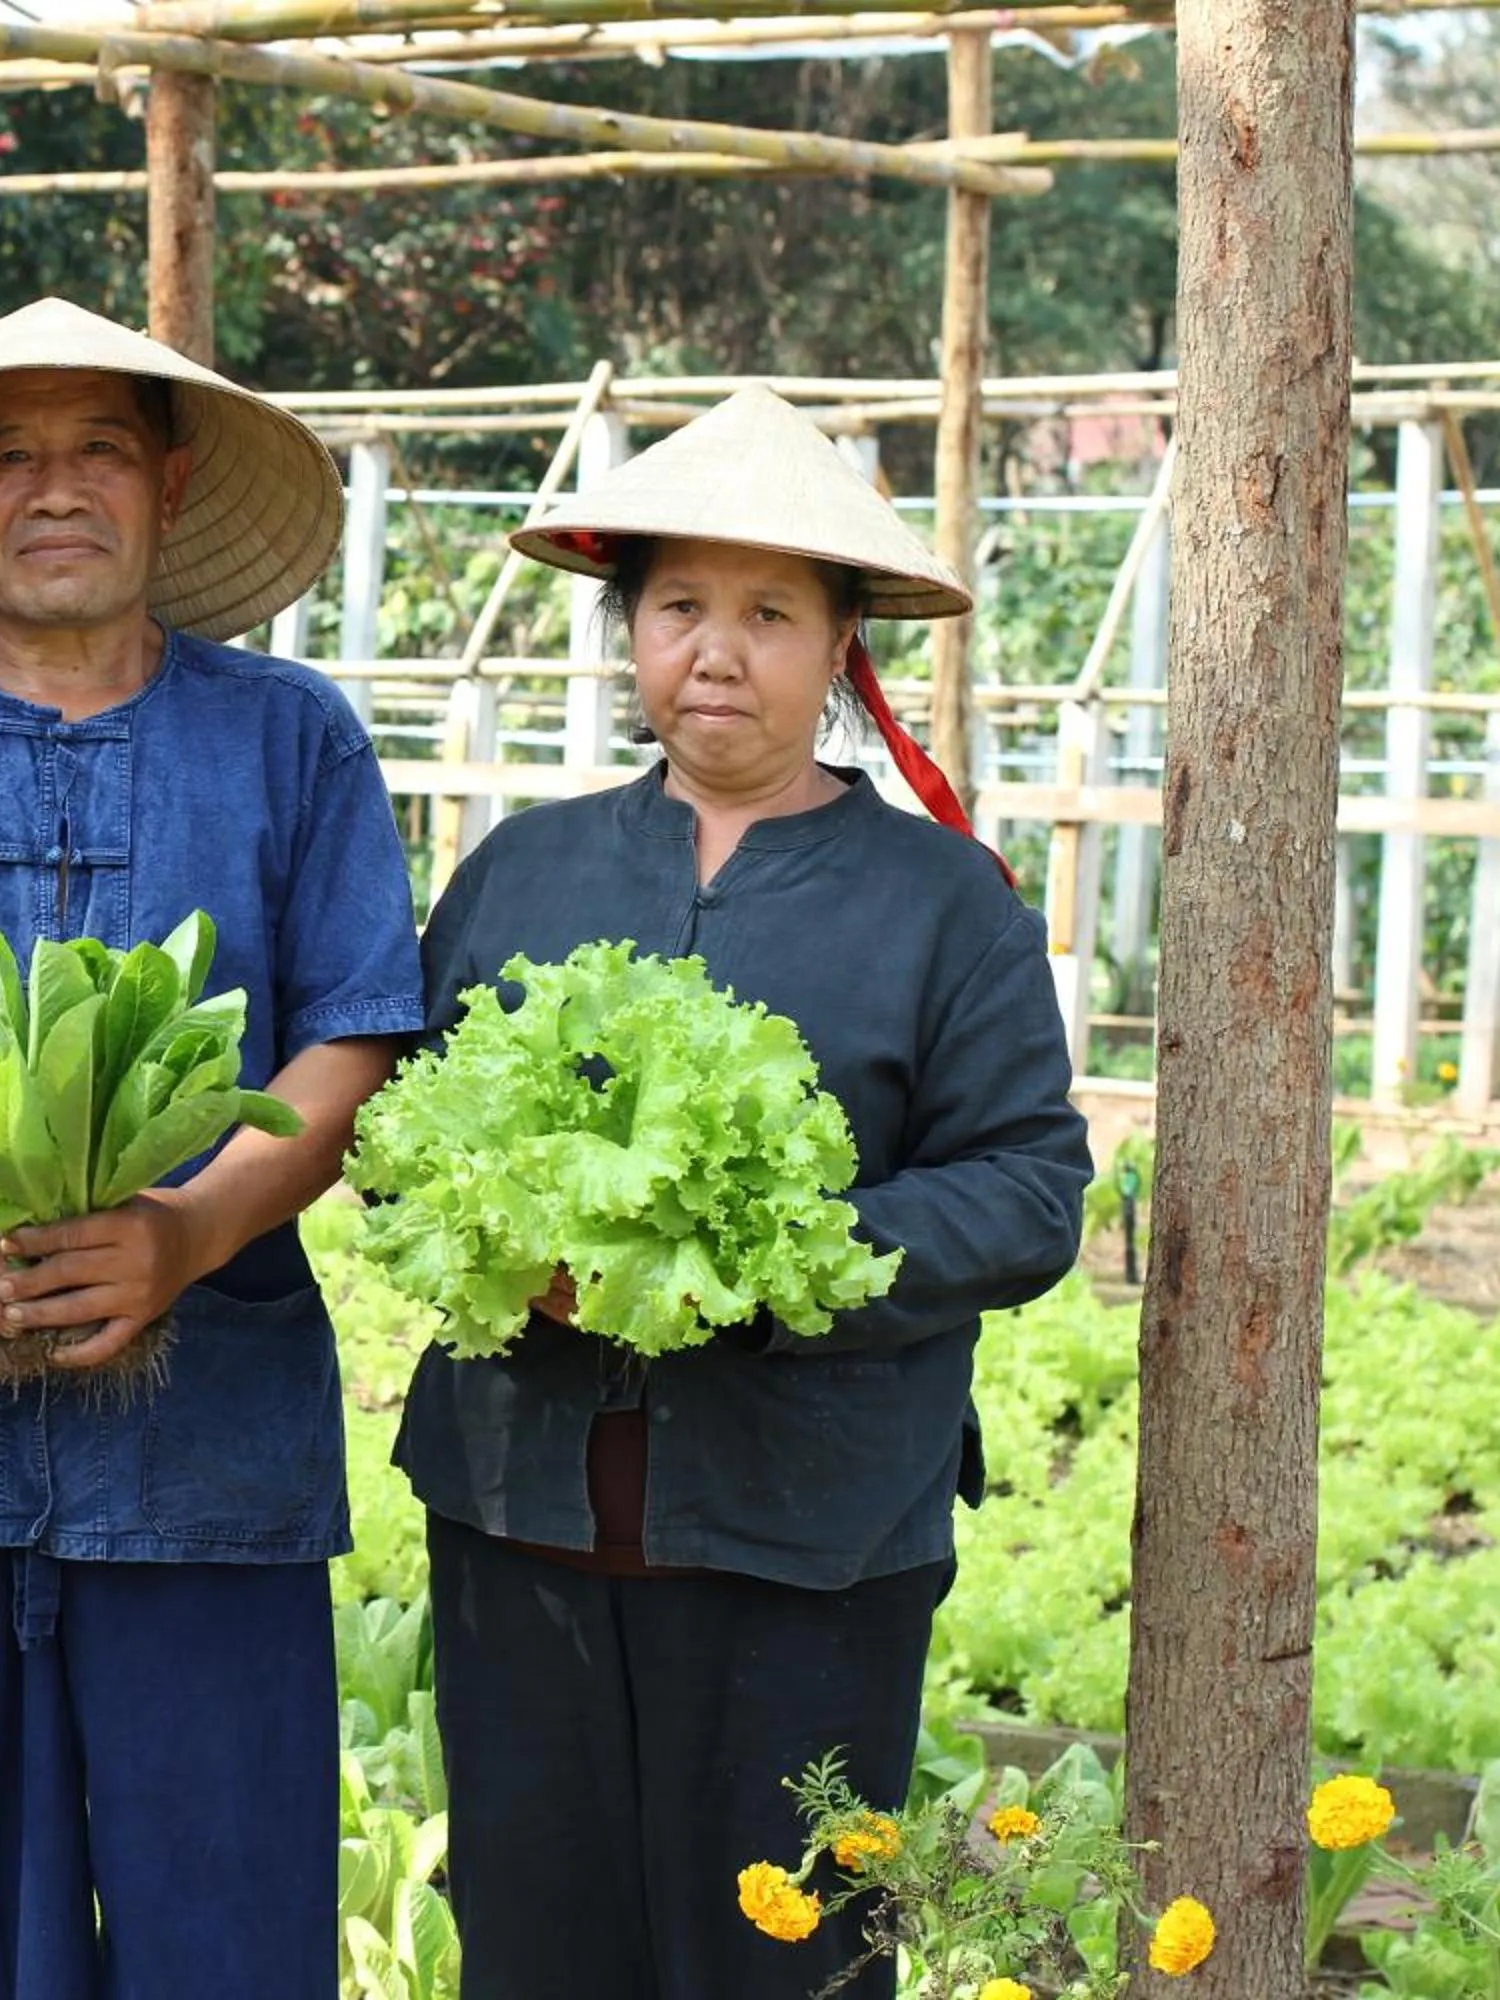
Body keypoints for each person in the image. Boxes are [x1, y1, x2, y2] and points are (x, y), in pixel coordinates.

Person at [0, 297, 426, 2000]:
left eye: (99, 450)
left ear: (169, 486)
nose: (58, 490)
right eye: (12, 457)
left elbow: (353, 1035)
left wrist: (189, 1233)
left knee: (229, 1916)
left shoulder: (290, 735)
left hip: (215, 1440)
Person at [395, 385, 1093, 1999]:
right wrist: (515, 1243)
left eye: (771, 613)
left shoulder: (944, 906)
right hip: (522, 1520)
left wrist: (776, 1261)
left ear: (843, 641)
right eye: (680, 606)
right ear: (631, 629)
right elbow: (415, 1130)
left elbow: (1028, 1189)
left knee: (785, 1960)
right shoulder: (523, 869)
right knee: (538, 1942)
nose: (718, 651)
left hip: (814, 1539)